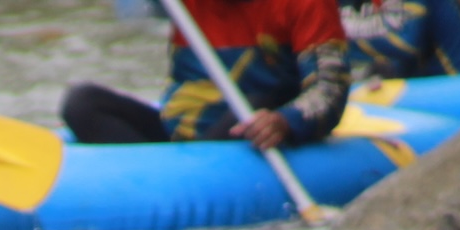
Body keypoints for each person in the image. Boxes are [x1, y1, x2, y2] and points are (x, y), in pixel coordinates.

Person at [61, 0, 350, 151]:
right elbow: (134, 8)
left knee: (250, 108)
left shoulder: (307, 3)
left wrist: (286, 122)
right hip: (177, 131)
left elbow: (330, 88)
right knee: (82, 103)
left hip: (250, 128)